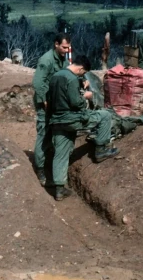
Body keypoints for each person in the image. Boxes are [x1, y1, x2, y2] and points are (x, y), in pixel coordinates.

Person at [48, 54, 118, 201]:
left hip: (57, 121)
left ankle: (59, 189)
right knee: (105, 116)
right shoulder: (72, 78)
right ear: (80, 68)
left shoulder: (55, 76)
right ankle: (101, 150)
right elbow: (76, 103)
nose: (83, 75)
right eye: (83, 72)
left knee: (60, 153)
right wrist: (86, 96)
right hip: (72, 119)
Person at [31, 34, 71, 186]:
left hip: (56, 103)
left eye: (68, 47)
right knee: (44, 133)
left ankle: (49, 161)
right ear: (56, 44)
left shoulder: (63, 59)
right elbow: (37, 83)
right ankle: (40, 168)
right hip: (45, 103)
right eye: (64, 47)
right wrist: (45, 100)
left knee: (55, 132)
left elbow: (68, 72)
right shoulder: (46, 60)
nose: (66, 50)